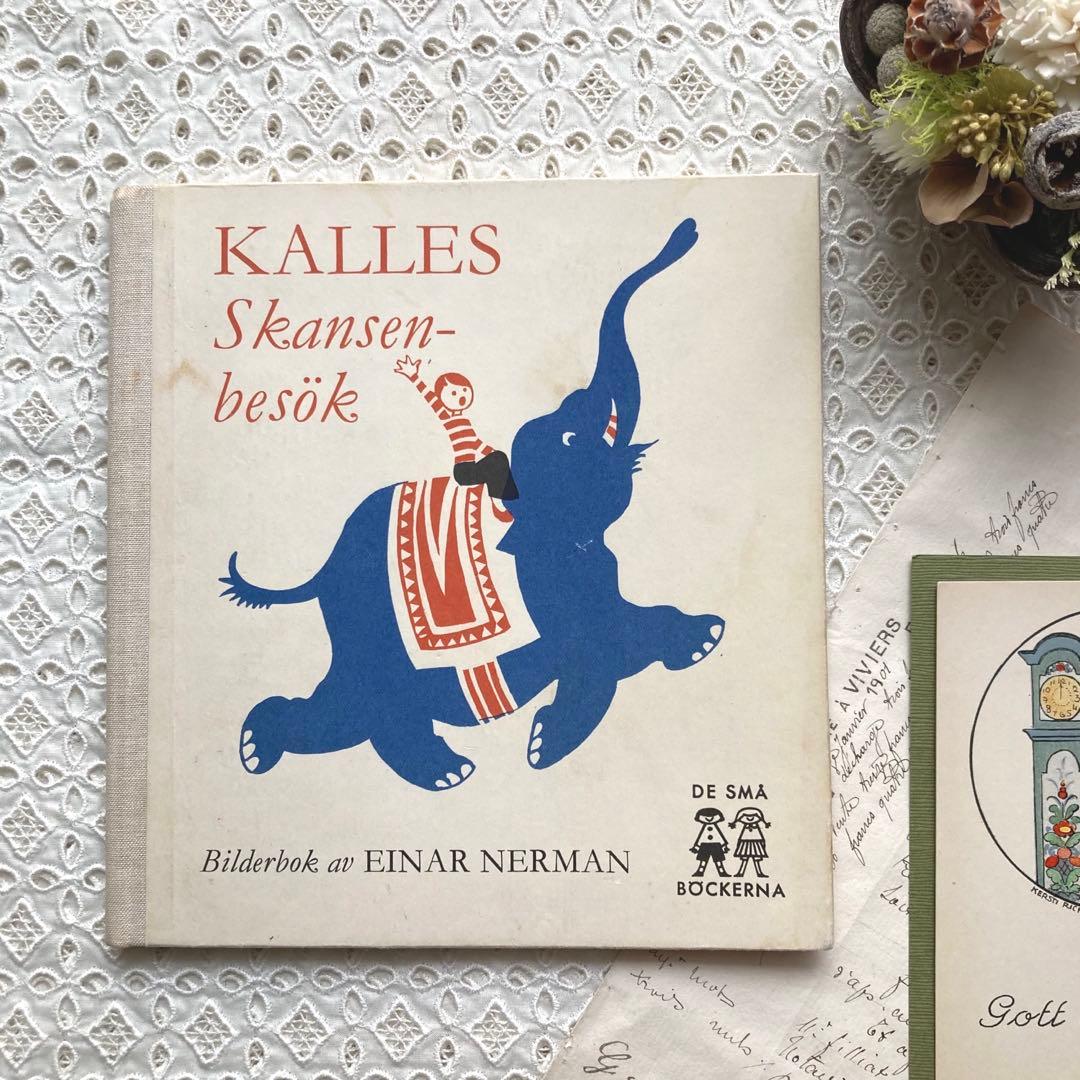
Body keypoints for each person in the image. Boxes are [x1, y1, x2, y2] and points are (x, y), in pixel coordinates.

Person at [394, 356, 517, 519]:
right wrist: (414, 376)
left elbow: (475, 443)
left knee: (500, 458)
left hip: (472, 466)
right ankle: (498, 505)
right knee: (498, 460)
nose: (461, 396)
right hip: (463, 471)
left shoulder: (465, 421)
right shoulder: (447, 418)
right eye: (453, 393)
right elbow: (431, 399)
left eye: (464, 390)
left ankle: (508, 500)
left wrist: (492, 453)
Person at [729, 807, 771, 879]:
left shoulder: (756, 828)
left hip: (756, 843)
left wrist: (762, 844)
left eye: (754, 816)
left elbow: (761, 836)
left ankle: (759, 873)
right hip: (745, 843)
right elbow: (741, 837)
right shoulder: (745, 828)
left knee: (756, 859)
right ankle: (741, 872)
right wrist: (739, 844)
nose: (750, 818)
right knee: (744, 858)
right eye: (745, 816)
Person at [689, 807, 730, 878]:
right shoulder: (704, 828)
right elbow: (700, 837)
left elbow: (720, 836)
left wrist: (724, 846)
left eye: (712, 816)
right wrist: (696, 847)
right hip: (704, 845)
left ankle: (722, 872)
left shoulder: (715, 828)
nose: (709, 818)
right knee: (703, 860)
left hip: (716, 845)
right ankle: (700, 872)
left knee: (718, 860)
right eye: (705, 816)